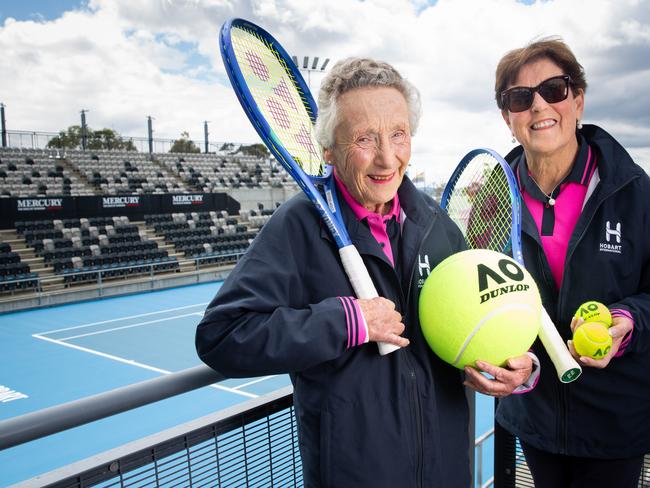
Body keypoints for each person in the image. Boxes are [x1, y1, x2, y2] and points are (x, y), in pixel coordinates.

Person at [196, 57, 533, 487]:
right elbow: (221, 336)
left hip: (448, 471)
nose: (387, 158)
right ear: (329, 150)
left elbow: (478, 318)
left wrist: (514, 365)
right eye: (364, 139)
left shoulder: (435, 222)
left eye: (398, 134)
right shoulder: (298, 225)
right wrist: (346, 321)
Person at [493, 38, 650, 488]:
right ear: (508, 118)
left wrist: (626, 321)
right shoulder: (493, 201)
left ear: (578, 100)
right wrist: (507, 357)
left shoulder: (635, 192)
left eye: (554, 89)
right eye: (520, 98)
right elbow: (486, 301)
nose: (539, 104)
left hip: (615, 422)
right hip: (535, 414)